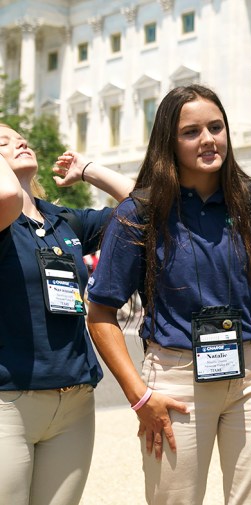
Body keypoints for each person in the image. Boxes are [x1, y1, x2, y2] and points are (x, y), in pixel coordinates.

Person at [85, 84, 251, 504]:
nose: (208, 140)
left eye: (216, 127)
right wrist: (139, 396)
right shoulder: (139, 213)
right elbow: (101, 313)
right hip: (175, 380)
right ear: (169, 140)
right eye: (191, 132)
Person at [0, 124, 134, 505]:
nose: (20, 142)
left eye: (19, 137)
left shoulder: (63, 220)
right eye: (2, 144)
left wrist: (89, 169)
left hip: (74, 401)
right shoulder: (3, 217)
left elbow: (145, 204)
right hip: (9, 403)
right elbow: (7, 193)